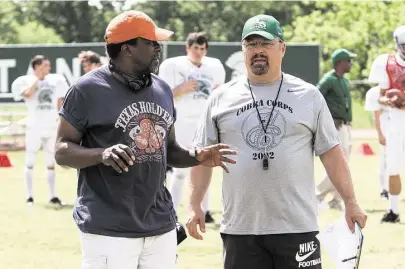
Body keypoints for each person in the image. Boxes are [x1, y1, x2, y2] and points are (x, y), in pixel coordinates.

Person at [54, 11, 236, 269]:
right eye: (150, 42)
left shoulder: (161, 89)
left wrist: (197, 156)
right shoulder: (86, 89)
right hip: (109, 226)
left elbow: (169, 150)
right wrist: (101, 154)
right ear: (127, 49)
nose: (157, 48)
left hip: (159, 222)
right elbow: (61, 150)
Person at [186, 14, 367, 269]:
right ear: (243, 50)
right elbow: (203, 156)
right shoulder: (220, 98)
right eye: (251, 44)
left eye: (266, 43)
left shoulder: (309, 95)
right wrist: (195, 206)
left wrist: (351, 202)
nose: (258, 51)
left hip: (297, 227)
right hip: (241, 229)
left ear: (282, 48)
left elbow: (332, 153)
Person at [159, 32, 226, 223]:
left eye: (202, 48)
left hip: (204, 121)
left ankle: (204, 211)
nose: (199, 52)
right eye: (195, 48)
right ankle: (170, 210)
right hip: (182, 121)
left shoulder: (214, 66)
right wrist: (182, 89)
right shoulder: (172, 66)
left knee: (204, 163)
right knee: (180, 169)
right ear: (187, 48)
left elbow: (219, 95)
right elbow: (162, 95)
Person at [11, 55, 69, 206]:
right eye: (45, 65)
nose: (49, 69)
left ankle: (53, 195)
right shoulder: (25, 80)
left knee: (50, 162)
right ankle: (29, 196)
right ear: (36, 67)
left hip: (50, 126)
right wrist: (38, 79)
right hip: (34, 127)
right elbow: (28, 94)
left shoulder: (56, 80)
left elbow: (59, 102)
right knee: (30, 161)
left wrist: (60, 121)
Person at [368, 25, 405, 223]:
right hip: (396, 119)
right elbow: (380, 96)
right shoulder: (386, 62)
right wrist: (390, 100)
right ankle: (394, 209)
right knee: (392, 167)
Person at [315, 48, 357, 210]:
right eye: (348, 60)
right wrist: (327, 119)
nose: (351, 64)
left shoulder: (344, 81)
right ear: (340, 62)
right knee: (340, 162)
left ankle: (335, 199)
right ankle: (318, 194)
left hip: (346, 125)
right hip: (335, 125)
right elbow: (316, 97)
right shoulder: (329, 79)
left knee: (345, 163)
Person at [364, 86, 389, 199]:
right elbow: (377, 116)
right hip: (386, 131)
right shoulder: (375, 92)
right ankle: (384, 189)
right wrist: (380, 134)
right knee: (385, 161)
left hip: (399, 131)